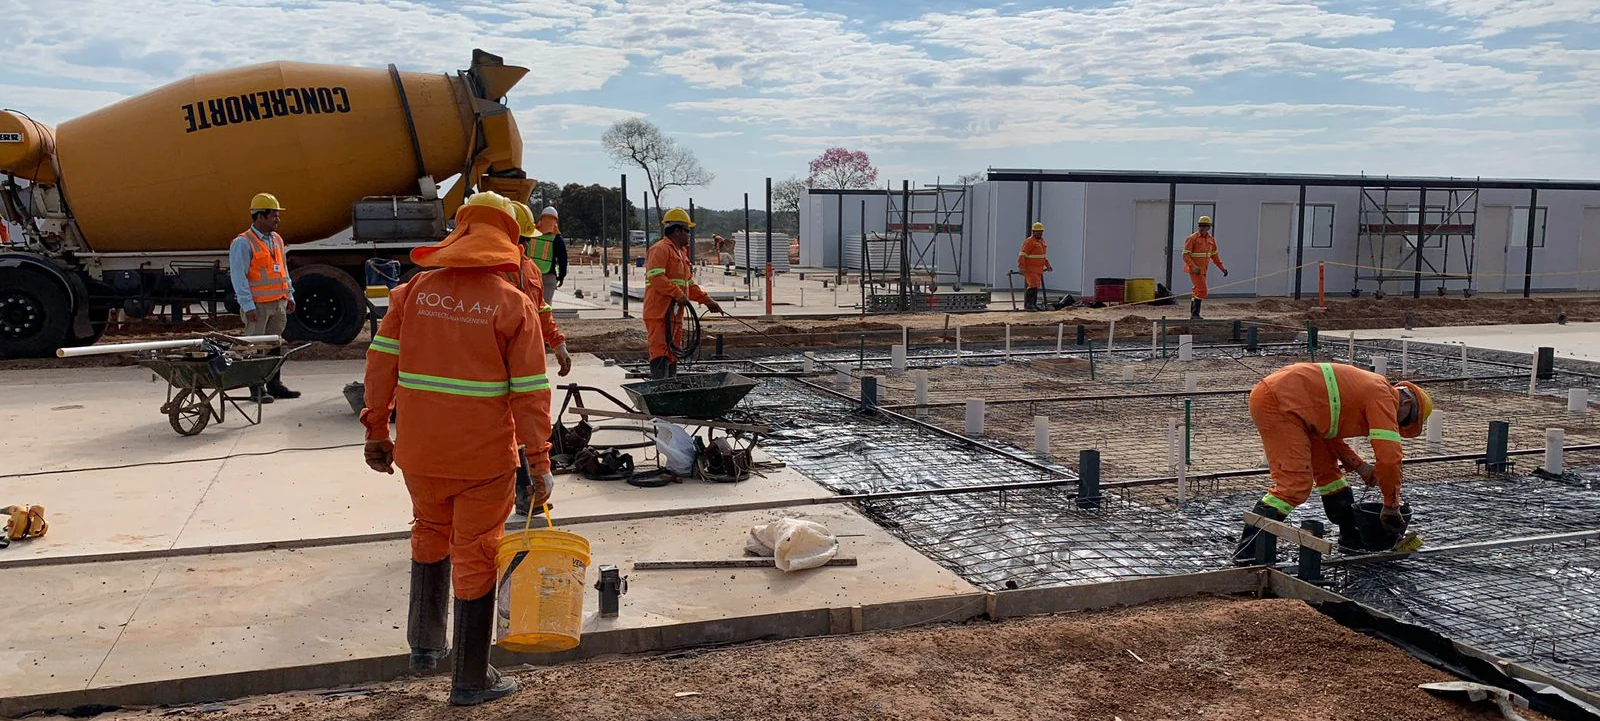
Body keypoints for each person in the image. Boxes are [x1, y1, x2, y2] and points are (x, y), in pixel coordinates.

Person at [360, 191, 554, 706]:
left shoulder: (413, 293)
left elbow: (379, 366)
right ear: (509, 239)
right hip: (484, 460)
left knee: (429, 530)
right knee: (477, 552)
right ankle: (470, 678)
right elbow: (531, 394)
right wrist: (539, 463)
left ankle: (424, 646)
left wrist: (376, 430)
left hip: (420, 455)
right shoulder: (513, 304)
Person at [1233, 362, 1433, 563]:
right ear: (1407, 405)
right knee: (1294, 486)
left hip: (1297, 406)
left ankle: (1351, 537)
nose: (1399, 425)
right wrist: (1391, 504)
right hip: (1279, 403)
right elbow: (1390, 458)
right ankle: (1248, 553)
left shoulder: (1374, 390)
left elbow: (1328, 435)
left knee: (1330, 475)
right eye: (1405, 422)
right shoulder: (1383, 397)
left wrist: (1360, 466)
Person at [229, 193, 299, 402]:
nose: (278, 220)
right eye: (274, 216)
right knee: (255, 348)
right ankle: (256, 389)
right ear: (260, 217)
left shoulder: (276, 239)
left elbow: (282, 270)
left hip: (278, 302)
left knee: (274, 345)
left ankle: (274, 384)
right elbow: (238, 276)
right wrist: (247, 305)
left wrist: (289, 294)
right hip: (258, 306)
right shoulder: (243, 243)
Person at [644, 208, 722, 379]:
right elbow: (656, 277)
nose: (689, 235)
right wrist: (677, 294)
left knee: (673, 354)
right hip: (659, 314)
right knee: (660, 353)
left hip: (675, 316)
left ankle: (670, 387)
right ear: (677, 230)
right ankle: (660, 390)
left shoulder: (681, 254)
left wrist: (707, 301)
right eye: (687, 230)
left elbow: (689, 285)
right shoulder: (660, 249)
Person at [1182, 216, 1227, 319]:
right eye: (1200, 225)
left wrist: (1222, 268)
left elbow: (1215, 256)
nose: (1201, 228)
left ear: (1209, 227)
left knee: (1198, 290)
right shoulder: (1192, 238)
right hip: (1195, 270)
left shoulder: (1211, 240)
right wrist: (1193, 266)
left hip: (1203, 269)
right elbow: (1185, 255)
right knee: (1203, 290)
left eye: (1204, 226)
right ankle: (1195, 314)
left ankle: (1194, 314)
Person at [533, 206, 567, 304]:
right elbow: (562, 260)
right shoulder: (557, 239)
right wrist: (561, 276)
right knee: (545, 306)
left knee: (531, 305)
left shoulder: (531, 234)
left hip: (531, 275)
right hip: (548, 275)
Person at [1018, 222, 1052, 311]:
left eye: (1041, 231)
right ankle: (1028, 305)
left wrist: (1048, 265)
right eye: (1038, 231)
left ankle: (1033, 304)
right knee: (1032, 285)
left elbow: (1043, 256)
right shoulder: (1029, 242)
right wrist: (1021, 267)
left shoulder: (1042, 241)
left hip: (1038, 269)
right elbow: (1022, 255)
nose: (1040, 233)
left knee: (1036, 286)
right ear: (1033, 232)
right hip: (1030, 269)